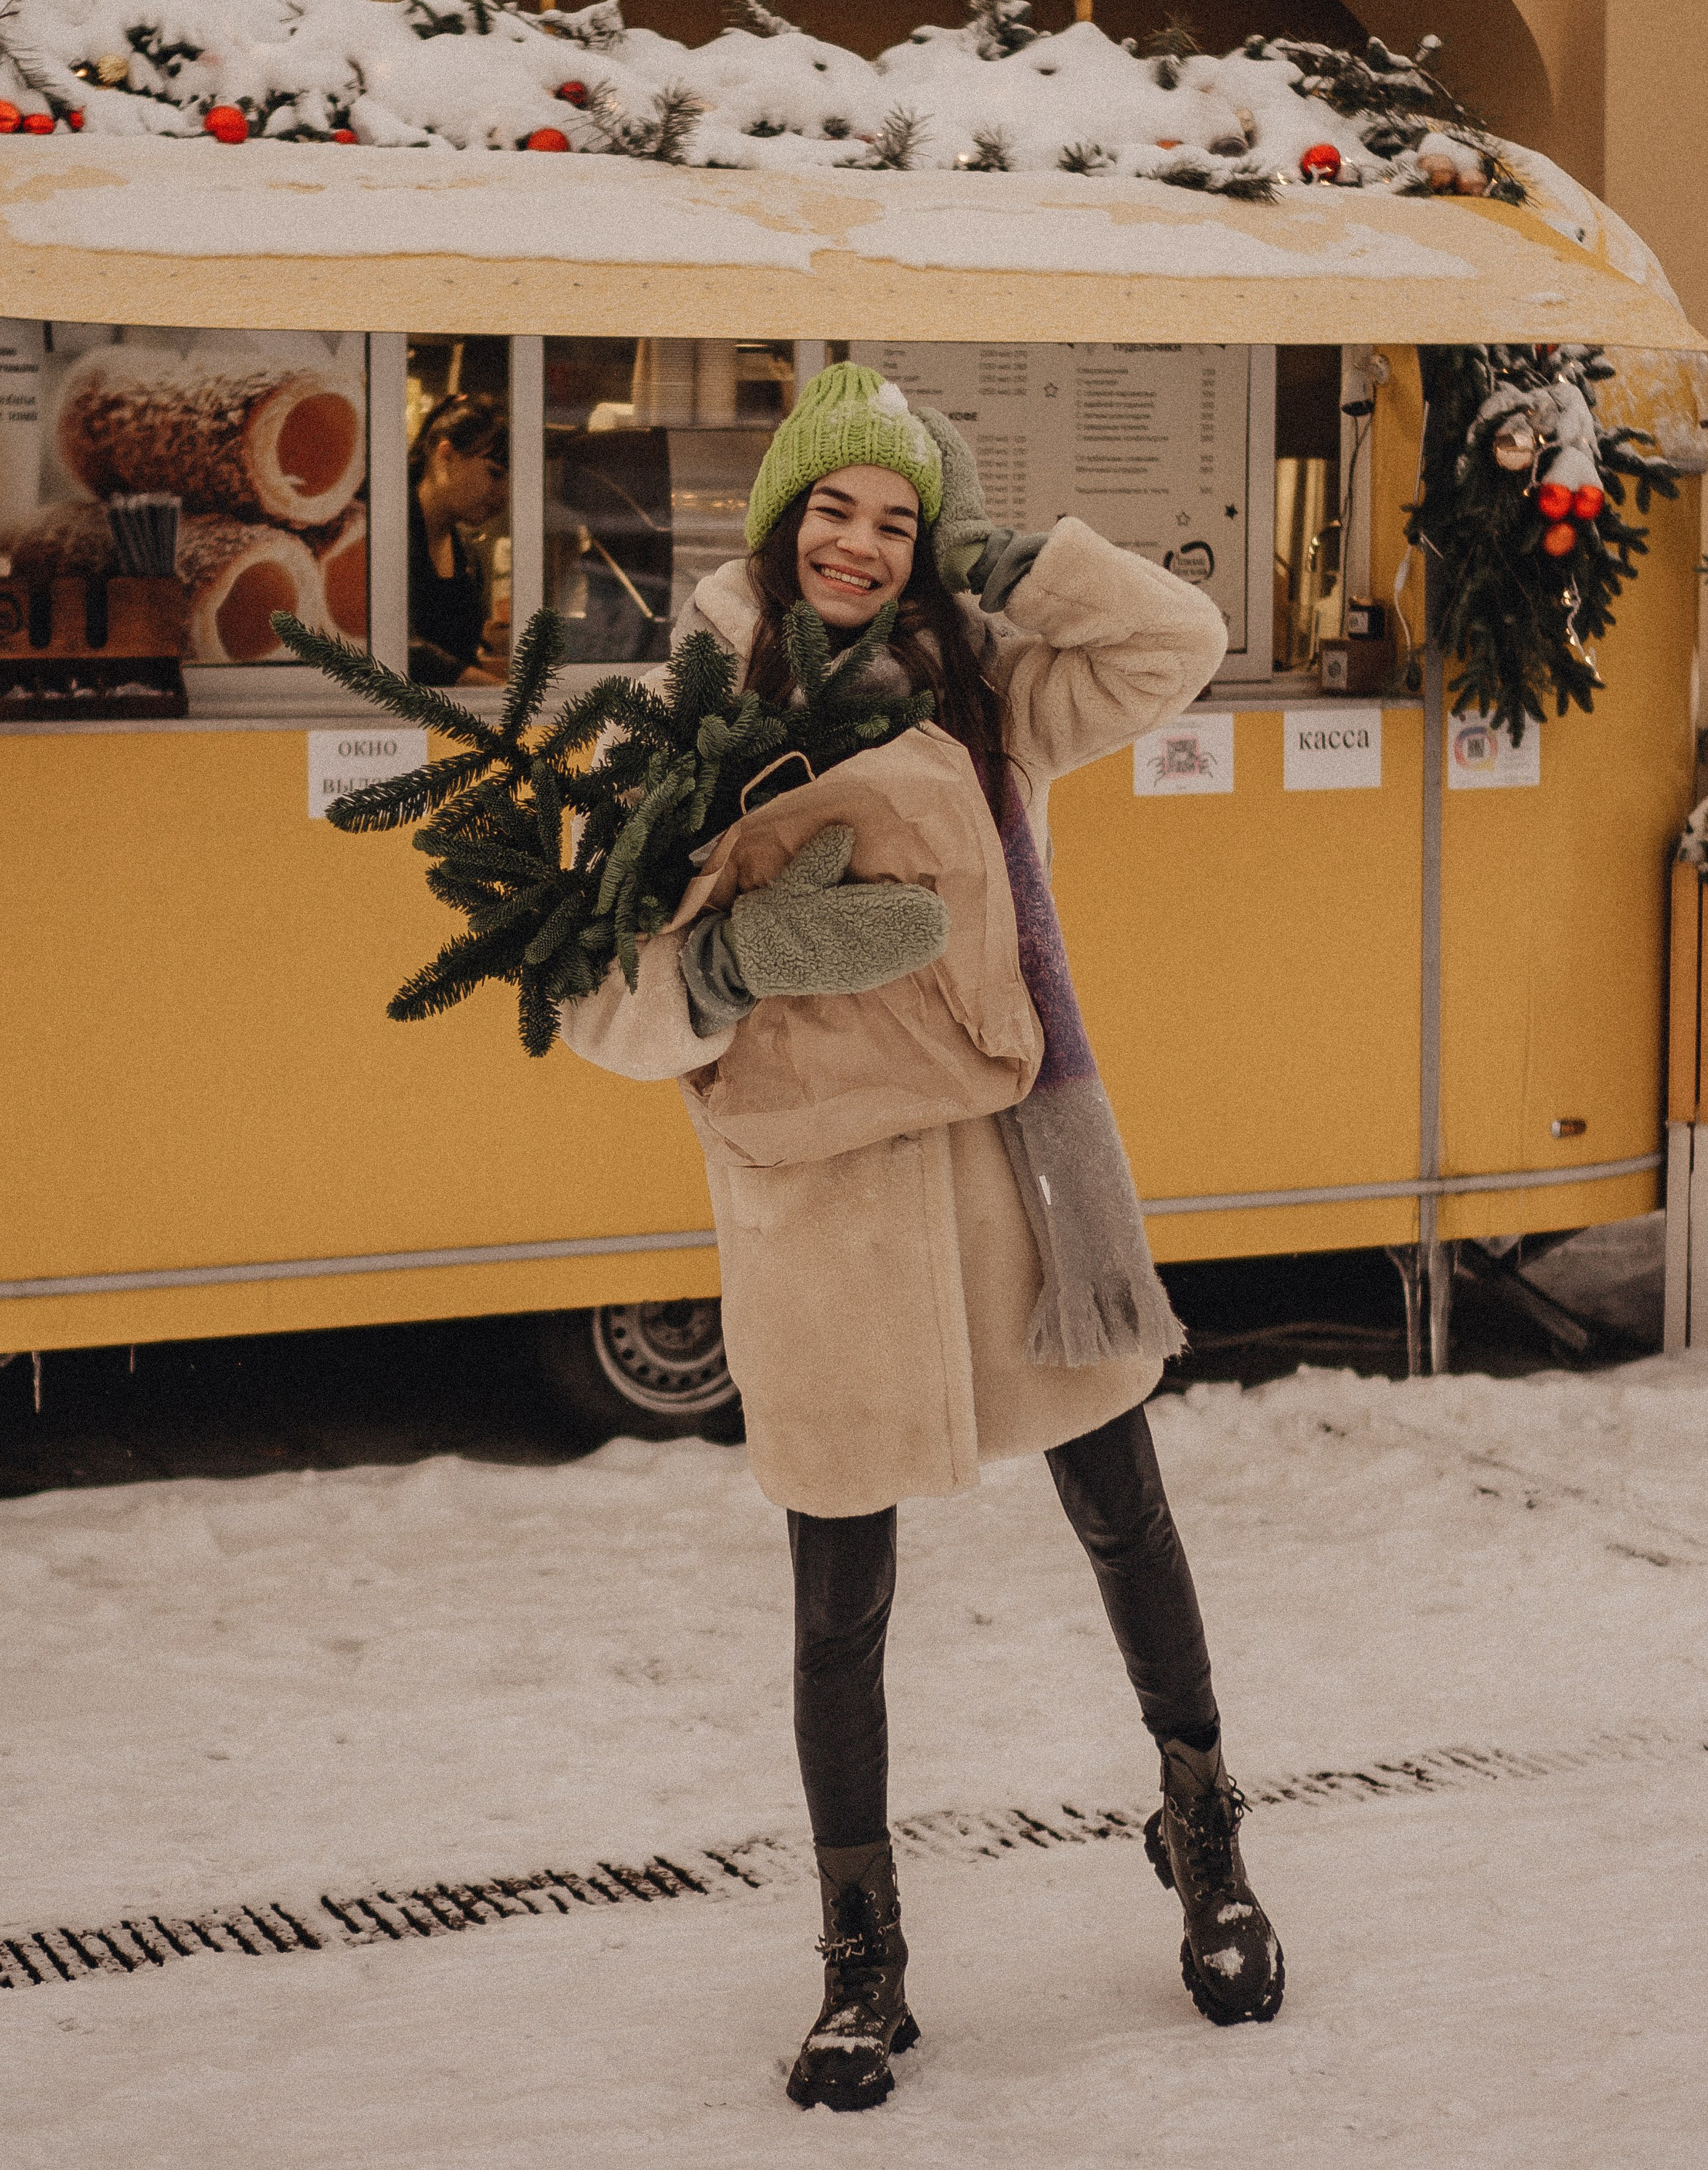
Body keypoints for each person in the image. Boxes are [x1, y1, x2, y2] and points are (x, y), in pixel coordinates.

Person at [558, 361, 1284, 2111]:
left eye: (898, 519)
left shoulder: (985, 684)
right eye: (834, 507)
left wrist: (1007, 560)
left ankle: (1204, 1843)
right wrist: (729, 962)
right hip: (822, 1212)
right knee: (839, 1599)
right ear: (778, 516)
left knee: (1124, 1514)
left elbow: (1174, 642)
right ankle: (859, 1959)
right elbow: (590, 990)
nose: (860, 545)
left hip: (1016, 1179)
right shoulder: (685, 710)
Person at [407, 393, 509, 685]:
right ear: (446, 456)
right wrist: (492, 688)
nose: (503, 495)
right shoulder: (385, 535)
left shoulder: (467, 553)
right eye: (495, 474)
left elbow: (456, 648)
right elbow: (394, 647)